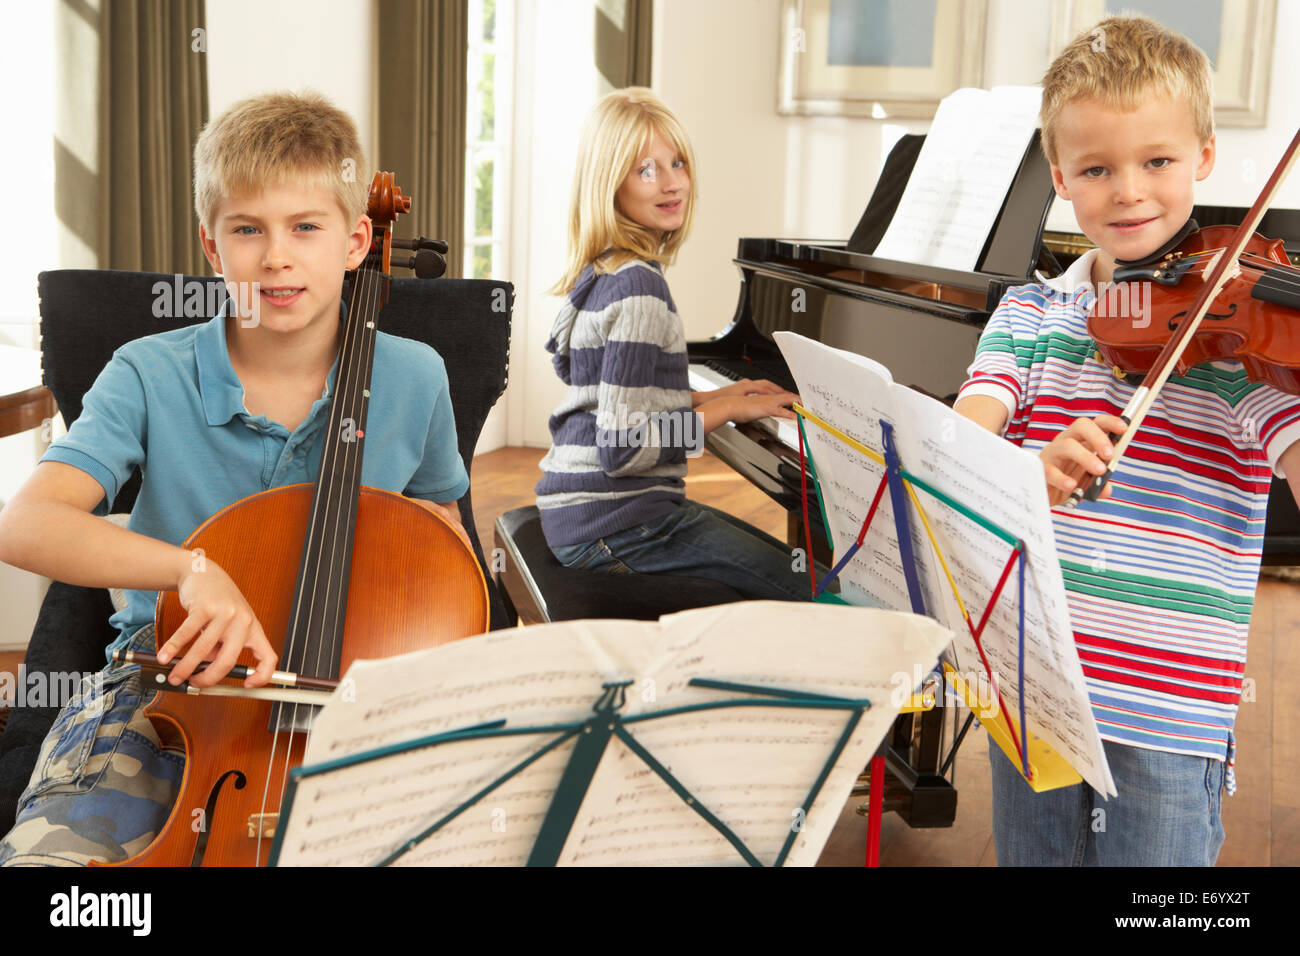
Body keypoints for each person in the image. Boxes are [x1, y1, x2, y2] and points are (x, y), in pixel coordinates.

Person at [0, 91, 469, 865]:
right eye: (248, 229)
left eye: (306, 227)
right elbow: (26, 524)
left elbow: (443, 538)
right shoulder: (148, 373)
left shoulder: (416, 377)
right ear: (214, 251)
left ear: (357, 241)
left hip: (357, 702)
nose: (276, 257)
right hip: (165, 691)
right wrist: (191, 569)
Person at [954, 15, 1300, 865]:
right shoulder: (1032, 316)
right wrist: (1025, 475)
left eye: (1158, 161)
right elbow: (955, 459)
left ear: (1205, 158)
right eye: (1098, 168)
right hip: (1034, 684)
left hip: (1167, 705)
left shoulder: (1240, 340)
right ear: (1061, 177)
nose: (1130, 192)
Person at [535, 88, 814, 601]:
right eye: (645, 170)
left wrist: (709, 399)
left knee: (783, 564)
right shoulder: (641, 287)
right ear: (609, 185)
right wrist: (727, 406)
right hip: (617, 523)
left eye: (677, 162)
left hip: (583, 511)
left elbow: (610, 400)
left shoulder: (604, 270)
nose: (671, 184)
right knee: (805, 587)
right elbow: (624, 449)